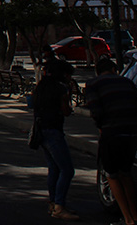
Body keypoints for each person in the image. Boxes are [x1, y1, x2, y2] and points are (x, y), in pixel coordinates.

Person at [85, 57, 137, 225]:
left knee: (112, 175)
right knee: (126, 174)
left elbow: (95, 110)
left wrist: (101, 126)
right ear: (113, 69)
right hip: (132, 133)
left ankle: (127, 218)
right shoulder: (128, 83)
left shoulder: (93, 84)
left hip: (111, 132)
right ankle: (135, 216)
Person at [34, 59, 79, 220]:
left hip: (42, 130)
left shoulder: (41, 87)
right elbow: (66, 111)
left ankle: (53, 203)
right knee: (67, 170)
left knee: (54, 168)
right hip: (54, 130)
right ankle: (59, 206)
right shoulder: (61, 89)